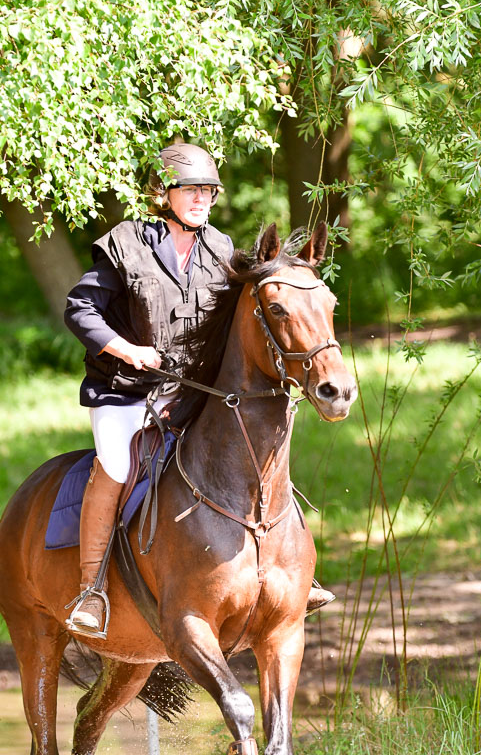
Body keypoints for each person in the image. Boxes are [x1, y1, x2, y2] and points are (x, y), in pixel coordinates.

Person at [64, 143, 334, 639]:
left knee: (254, 447)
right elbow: (80, 310)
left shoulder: (221, 249)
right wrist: (126, 349)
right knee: (119, 463)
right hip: (128, 391)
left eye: (208, 190)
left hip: (193, 391)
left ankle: (295, 574)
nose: (202, 198)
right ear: (164, 194)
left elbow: (261, 300)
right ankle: (92, 590)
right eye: (191, 189)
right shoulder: (125, 242)